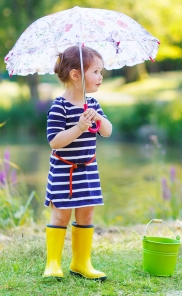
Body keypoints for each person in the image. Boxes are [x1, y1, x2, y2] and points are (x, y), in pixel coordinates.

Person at [43, 46, 112, 281]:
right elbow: (55, 141)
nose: (100, 76)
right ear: (75, 75)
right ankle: (53, 263)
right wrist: (79, 127)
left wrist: (98, 118)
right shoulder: (59, 106)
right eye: (96, 71)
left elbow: (108, 131)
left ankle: (81, 263)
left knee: (86, 215)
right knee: (60, 216)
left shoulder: (93, 104)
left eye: (101, 71)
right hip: (65, 171)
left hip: (88, 170)